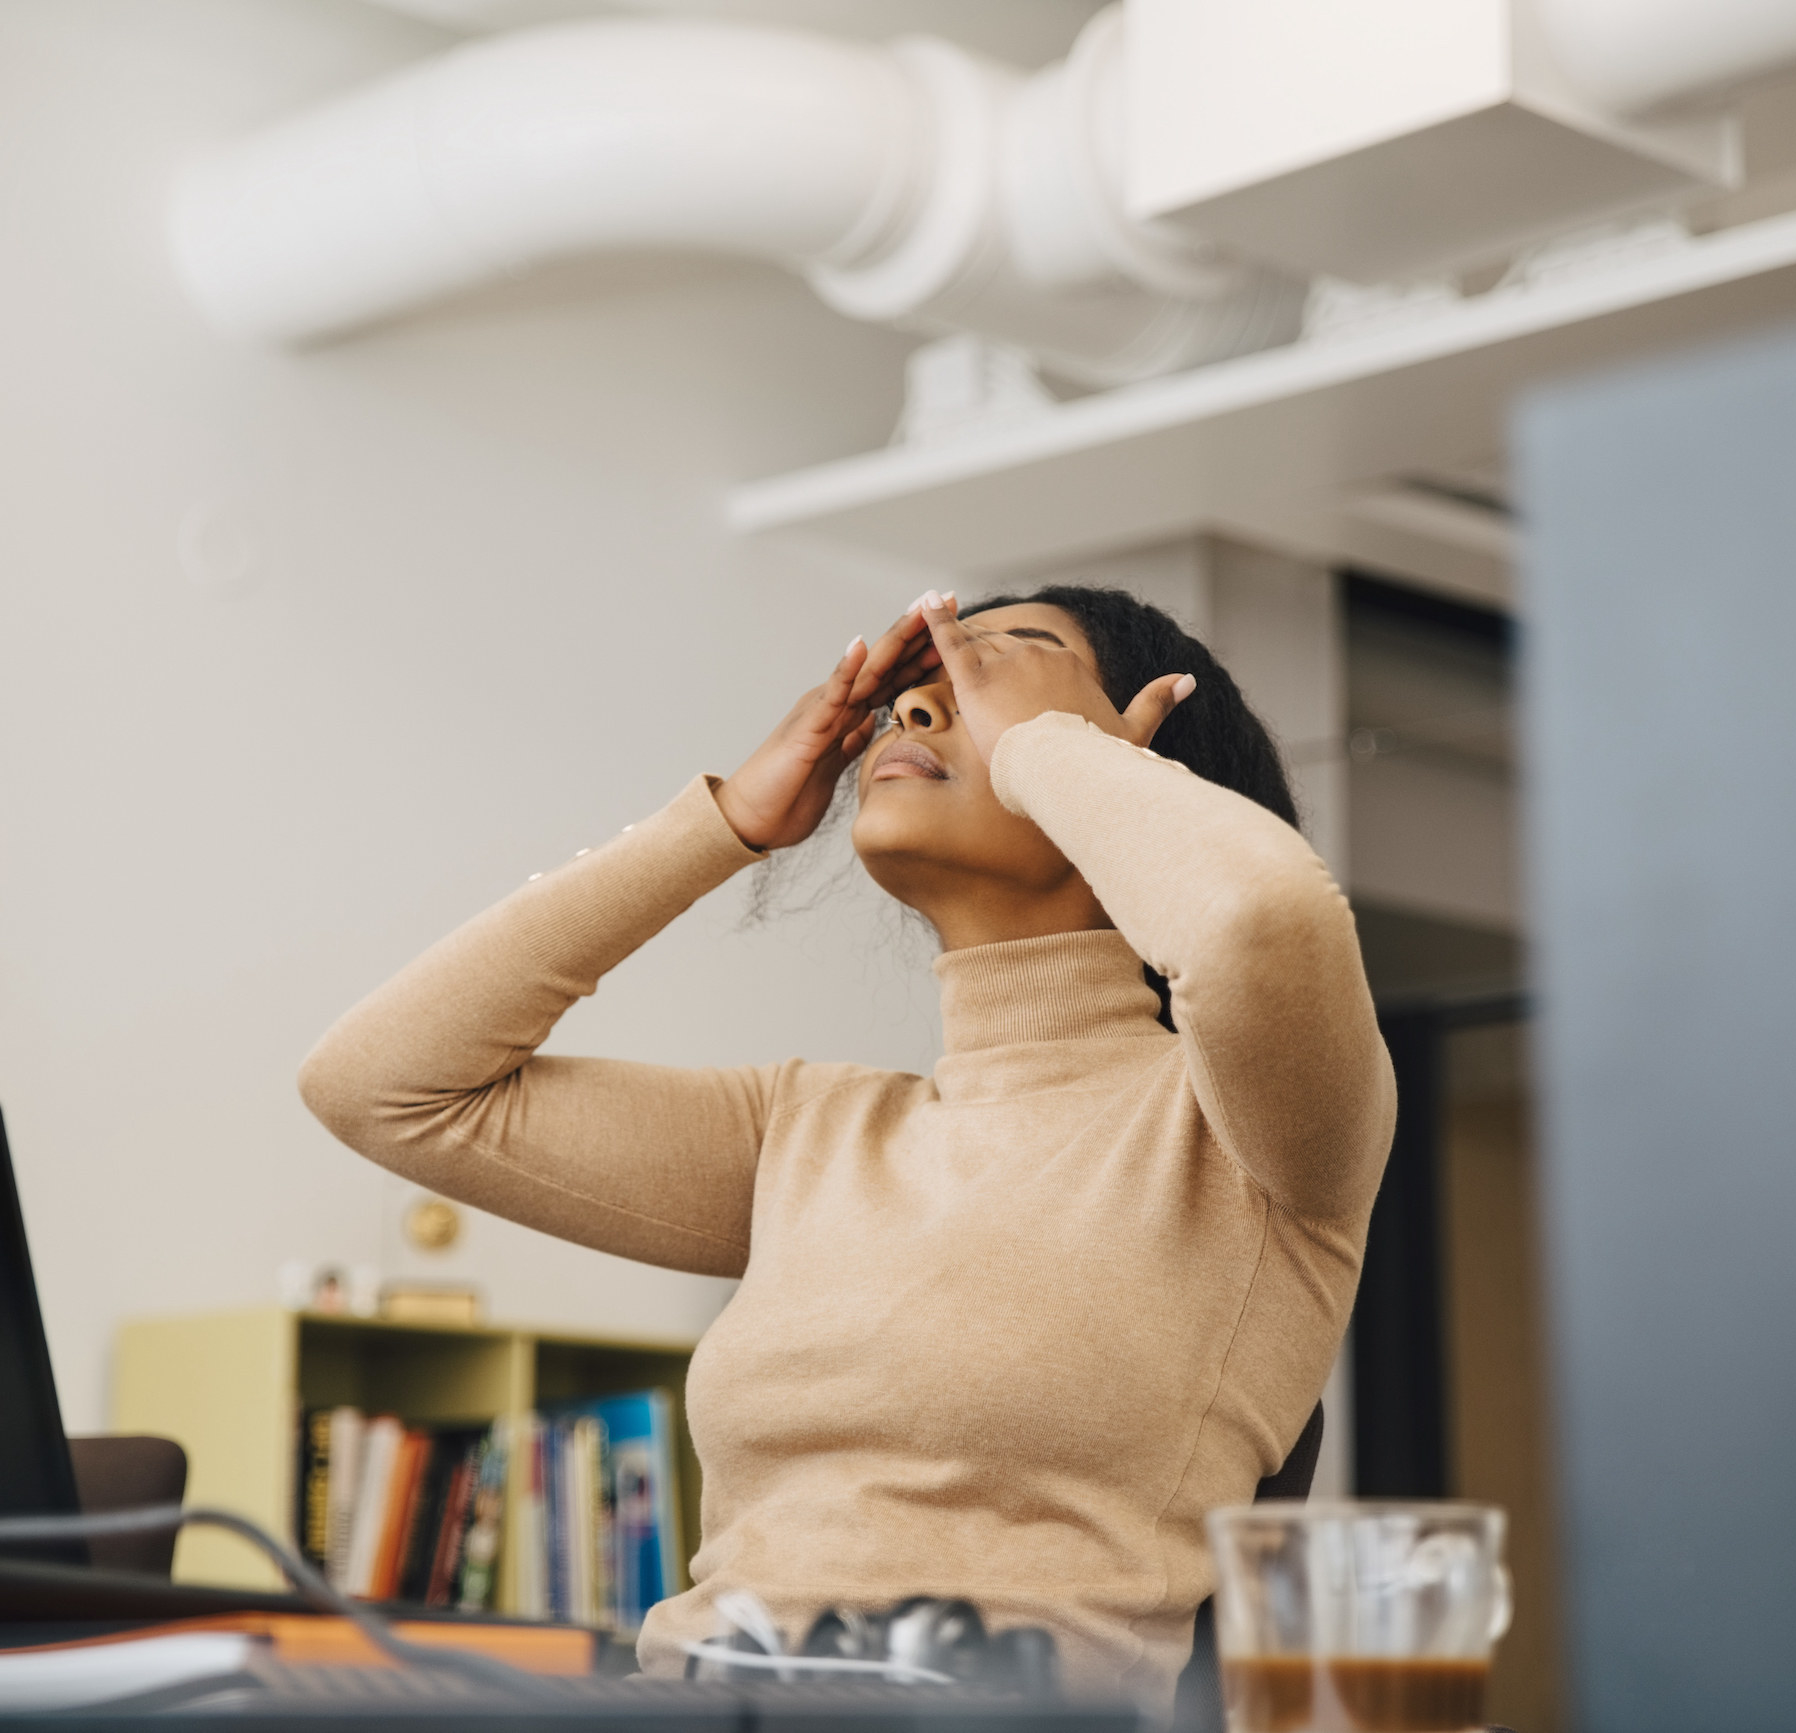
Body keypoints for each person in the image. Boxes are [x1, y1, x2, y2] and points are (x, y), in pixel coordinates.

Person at [299, 586, 1396, 1703]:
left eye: (994, 670)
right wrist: (720, 823)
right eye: (914, 685)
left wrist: (1048, 753)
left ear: (1133, 755)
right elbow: (382, 1086)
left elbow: (1260, 920)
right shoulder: (807, 1129)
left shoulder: (1249, 1133)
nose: (916, 704)